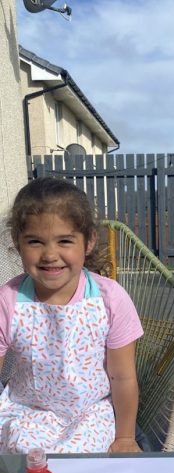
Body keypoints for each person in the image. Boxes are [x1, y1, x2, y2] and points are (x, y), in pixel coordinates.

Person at [0, 178, 144, 453]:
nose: (50, 254)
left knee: (82, 464)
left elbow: (123, 377)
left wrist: (125, 437)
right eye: (35, 241)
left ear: (88, 242)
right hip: (26, 413)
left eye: (64, 241)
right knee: (24, 457)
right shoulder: (8, 300)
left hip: (89, 416)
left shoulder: (109, 298)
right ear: (18, 243)